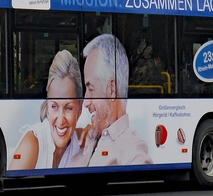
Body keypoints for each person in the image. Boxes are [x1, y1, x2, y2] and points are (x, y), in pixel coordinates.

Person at [74, 34, 151, 166]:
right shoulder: (92, 137)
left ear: (112, 89)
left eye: (91, 89)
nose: (86, 102)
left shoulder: (131, 148)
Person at [9, 50, 85, 170]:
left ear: (80, 109)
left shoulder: (83, 141)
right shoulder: (33, 144)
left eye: (68, 108)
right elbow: (13, 187)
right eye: (54, 106)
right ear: (48, 107)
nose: (60, 121)